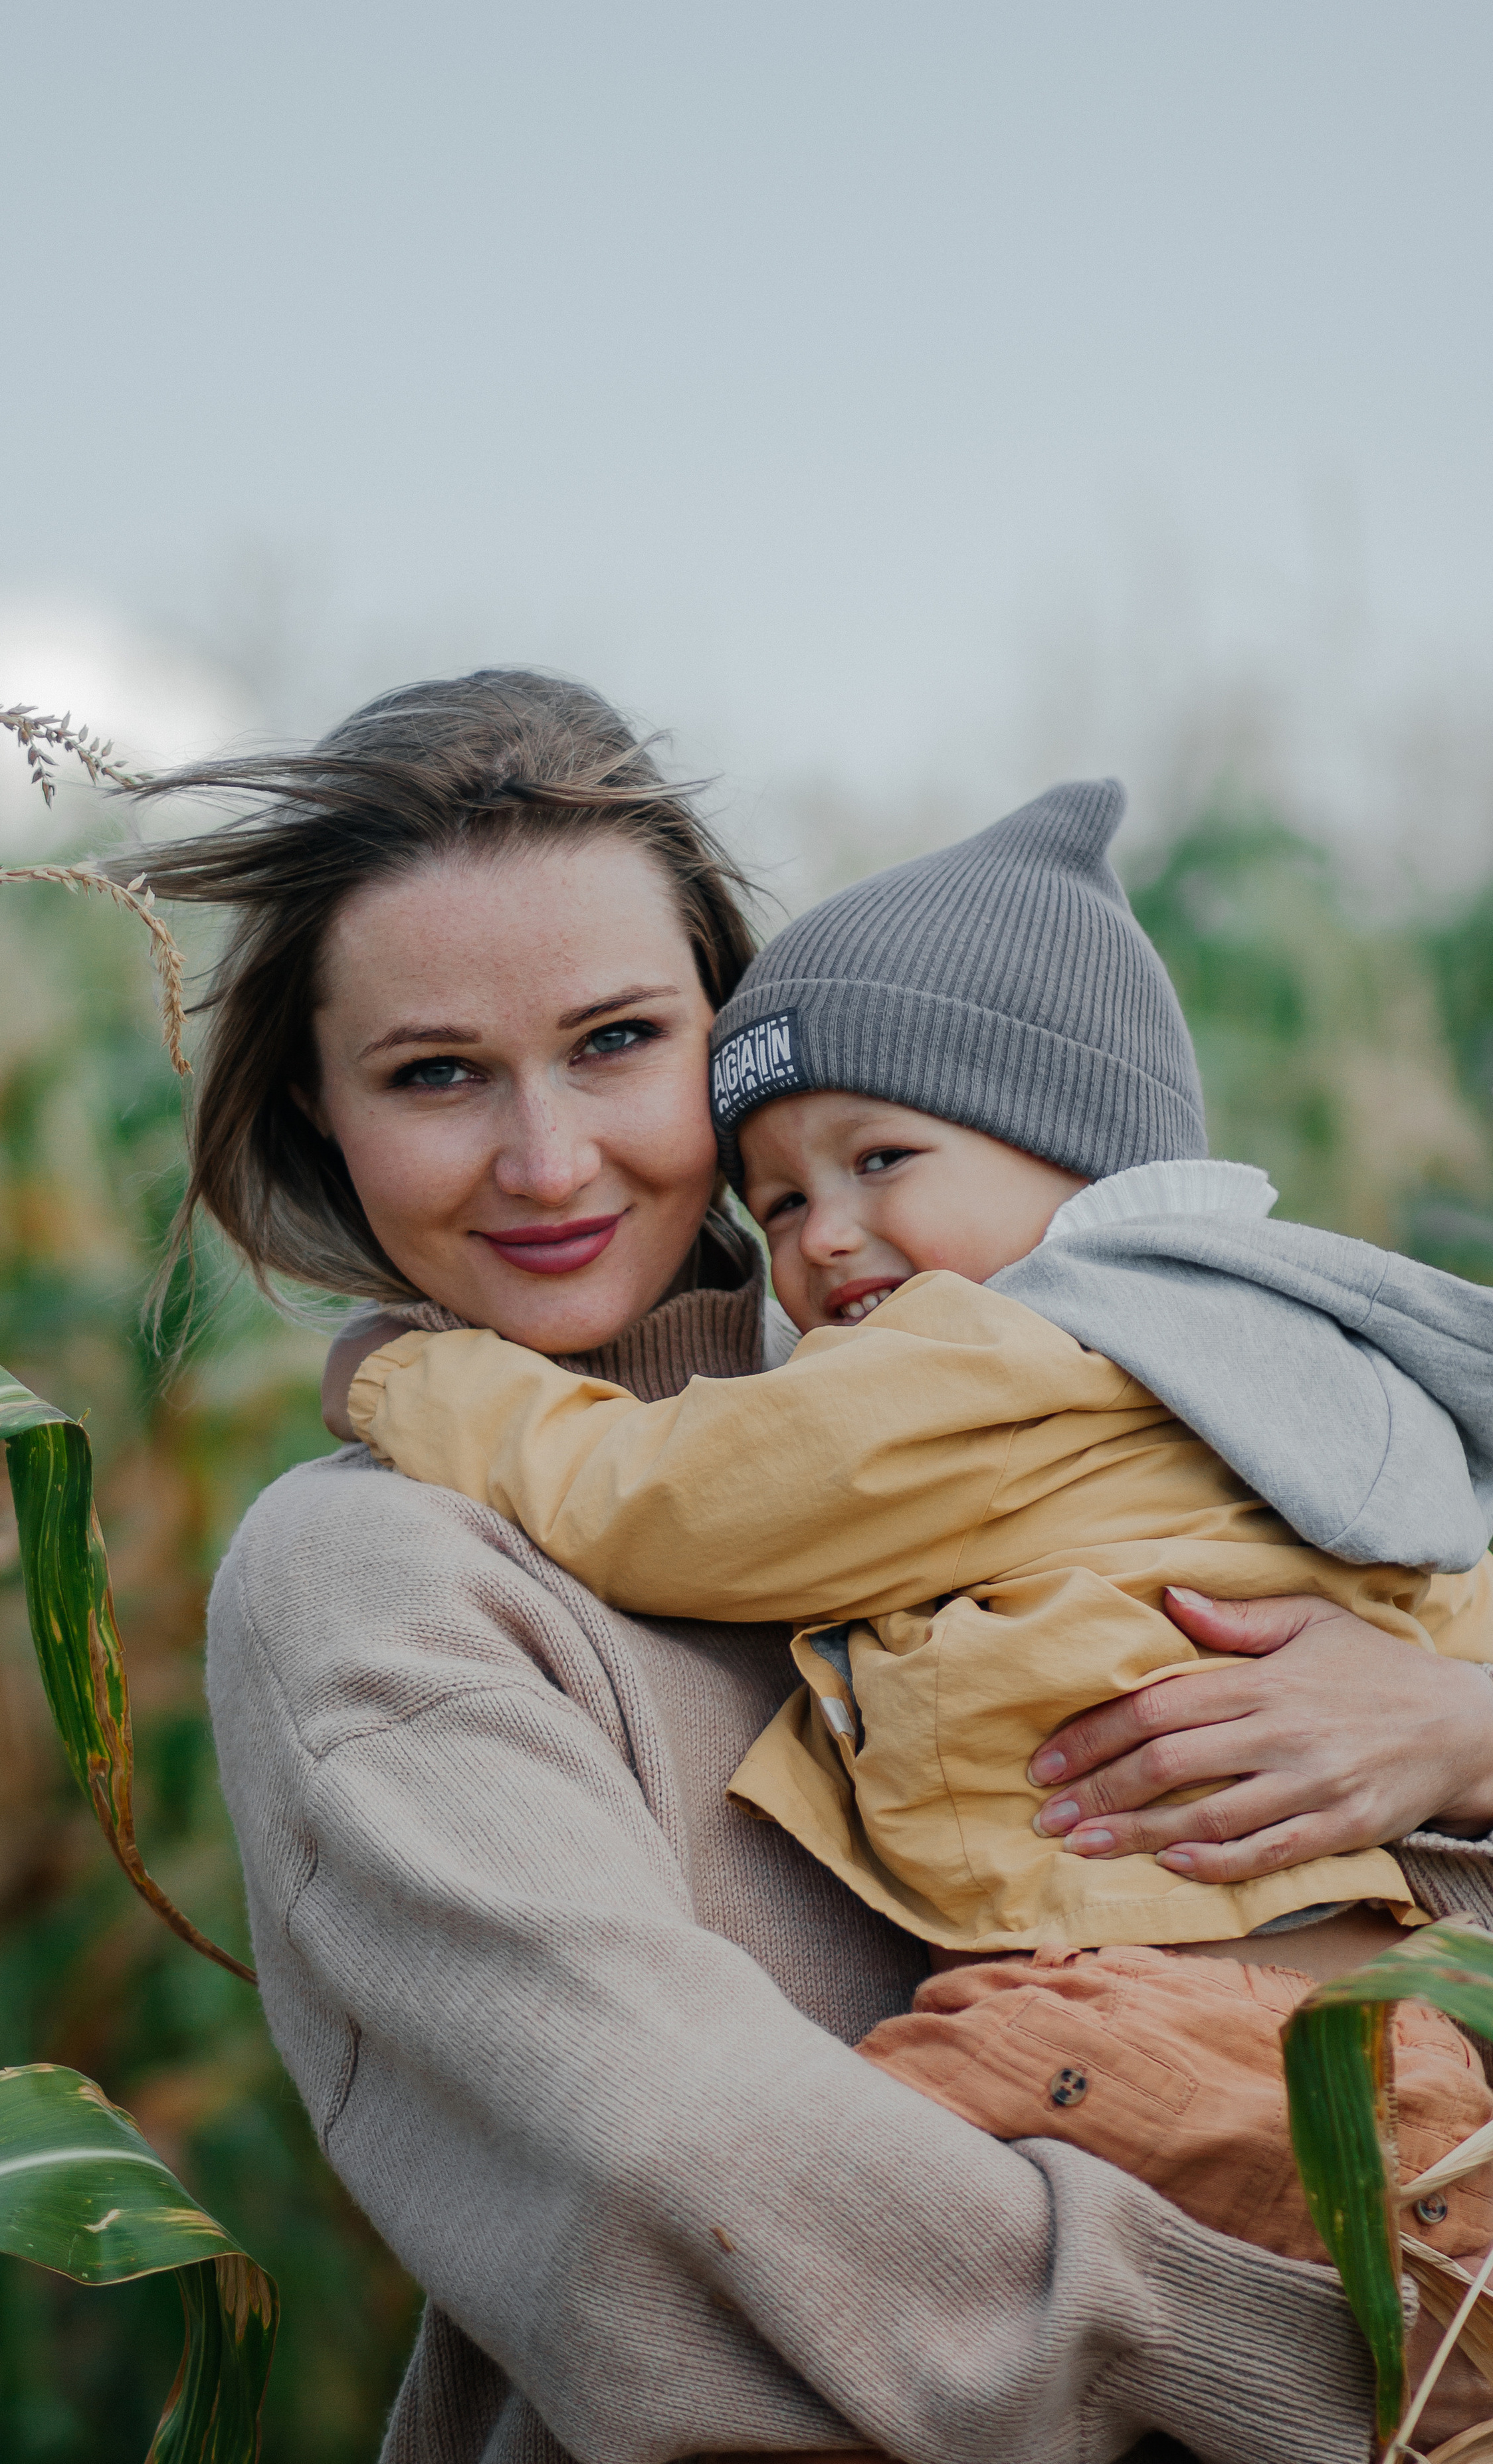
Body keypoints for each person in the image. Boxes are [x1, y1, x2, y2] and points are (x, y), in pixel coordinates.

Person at [132, 676, 1493, 2464]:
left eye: (617, 1041)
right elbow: (670, 2171)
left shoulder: (1063, 1419)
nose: (549, 1160)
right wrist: (1354, 2374)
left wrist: (1459, 1729)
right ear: (322, 1118)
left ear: (735, 1031)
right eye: (436, 1073)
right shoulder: (383, 1567)